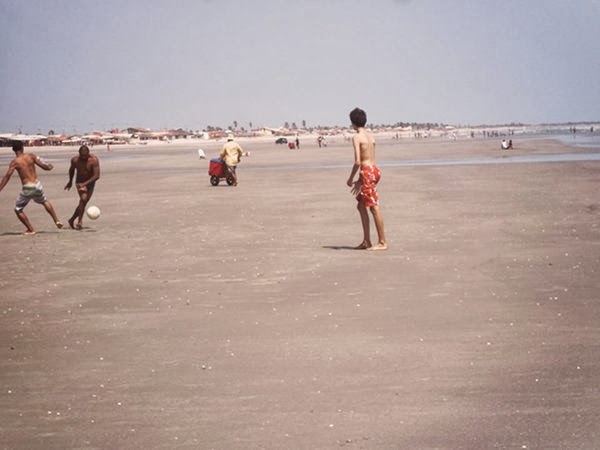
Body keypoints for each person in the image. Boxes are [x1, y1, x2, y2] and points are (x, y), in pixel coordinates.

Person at [0, 141, 63, 235]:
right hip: (37, 184)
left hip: (28, 187)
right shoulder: (31, 156)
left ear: (13, 150)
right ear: (22, 148)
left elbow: (7, 177)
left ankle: (30, 229)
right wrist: (49, 167)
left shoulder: (15, 162)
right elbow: (44, 166)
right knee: (44, 201)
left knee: (18, 209)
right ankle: (57, 220)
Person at [346, 107, 387, 250]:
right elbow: (369, 158)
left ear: (353, 122)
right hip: (373, 170)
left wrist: (350, 179)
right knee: (361, 205)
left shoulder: (357, 137)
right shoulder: (370, 136)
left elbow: (358, 161)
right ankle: (366, 241)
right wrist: (360, 180)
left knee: (374, 207)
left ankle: (382, 242)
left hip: (367, 172)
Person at [64, 144, 100, 229]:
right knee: (83, 199)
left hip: (90, 182)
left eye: (85, 156)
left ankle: (71, 220)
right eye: (82, 155)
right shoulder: (75, 160)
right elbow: (71, 170)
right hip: (79, 182)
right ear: (79, 153)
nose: (83, 157)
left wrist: (85, 184)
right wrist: (70, 181)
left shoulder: (93, 160)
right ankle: (79, 222)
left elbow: (96, 176)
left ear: (88, 153)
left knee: (83, 202)